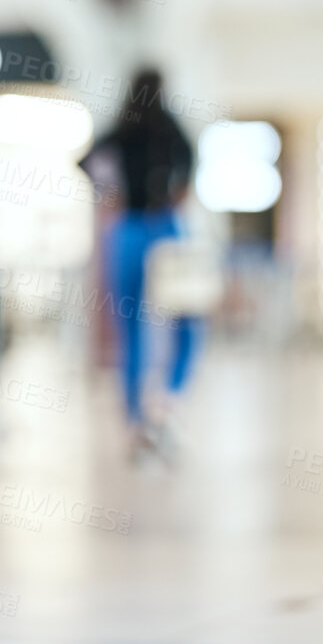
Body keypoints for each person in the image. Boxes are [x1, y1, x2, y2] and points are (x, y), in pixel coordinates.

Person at [85, 68, 198, 457]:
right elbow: (191, 163)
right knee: (185, 319)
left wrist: (110, 195)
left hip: (131, 228)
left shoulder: (122, 129)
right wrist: (177, 193)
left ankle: (138, 415)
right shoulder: (166, 128)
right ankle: (166, 399)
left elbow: (86, 161)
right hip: (159, 226)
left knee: (131, 324)